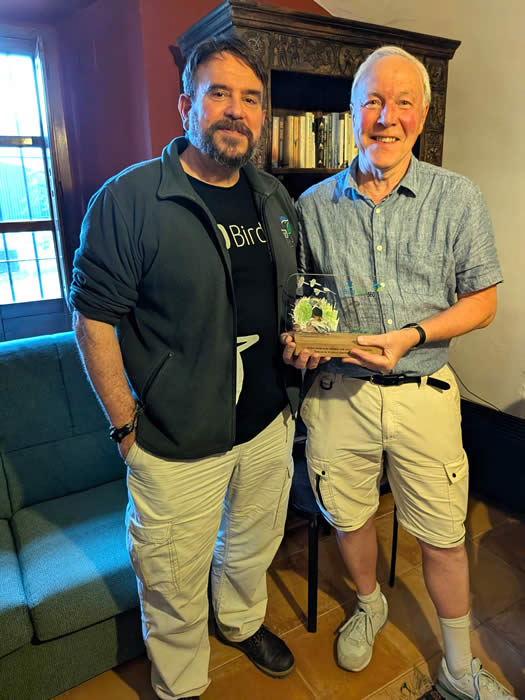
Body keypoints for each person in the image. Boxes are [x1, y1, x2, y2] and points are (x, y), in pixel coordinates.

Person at [70, 36, 300, 700]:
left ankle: (240, 622)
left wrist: (302, 342)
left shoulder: (273, 198)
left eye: (250, 99)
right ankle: (180, 685)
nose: (235, 110)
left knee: (252, 544)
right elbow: (92, 320)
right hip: (174, 442)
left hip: (267, 426)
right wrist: (125, 429)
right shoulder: (130, 200)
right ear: (186, 106)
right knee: (171, 578)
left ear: (262, 115)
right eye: (218, 93)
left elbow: (289, 298)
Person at [285, 46, 516, 700]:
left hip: (424, 391)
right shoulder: (311, 205)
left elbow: (482, 301)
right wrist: (303, 341)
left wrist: (411, 335)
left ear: (422, 114)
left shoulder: (457, 197)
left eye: (402, 103)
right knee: (349, 516)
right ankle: (369, 604)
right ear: (352, 112)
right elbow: (307, 302)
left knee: (443, 536)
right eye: (372, 102)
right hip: (339, 394)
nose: (386, 117)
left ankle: (457, 668)